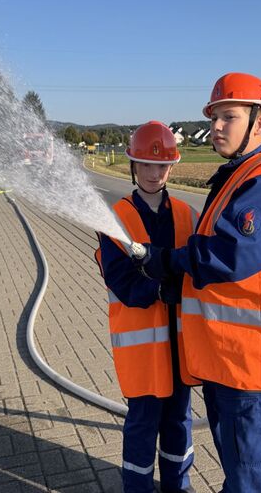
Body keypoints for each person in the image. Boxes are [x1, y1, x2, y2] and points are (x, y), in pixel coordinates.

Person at [134, 74, 261, 493]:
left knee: (252, 470)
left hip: (251, 358)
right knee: (241, 463)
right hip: (231, 354)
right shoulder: (240, 175)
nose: (217, 126)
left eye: (229, 116)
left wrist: (169, 261)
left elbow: (232, 253)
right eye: (215, 117)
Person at [95, 121, 199, 493]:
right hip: (141, 351)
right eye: (145, 164)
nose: (155, 173)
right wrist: (156, 292)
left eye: (162, 166)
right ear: (133, 166)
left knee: (178, 422)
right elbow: (119, 280)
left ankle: (178, 486)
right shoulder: (115, 219)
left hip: (181, 347)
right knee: (142, 426)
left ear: (171, 168)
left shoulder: (188, 215)